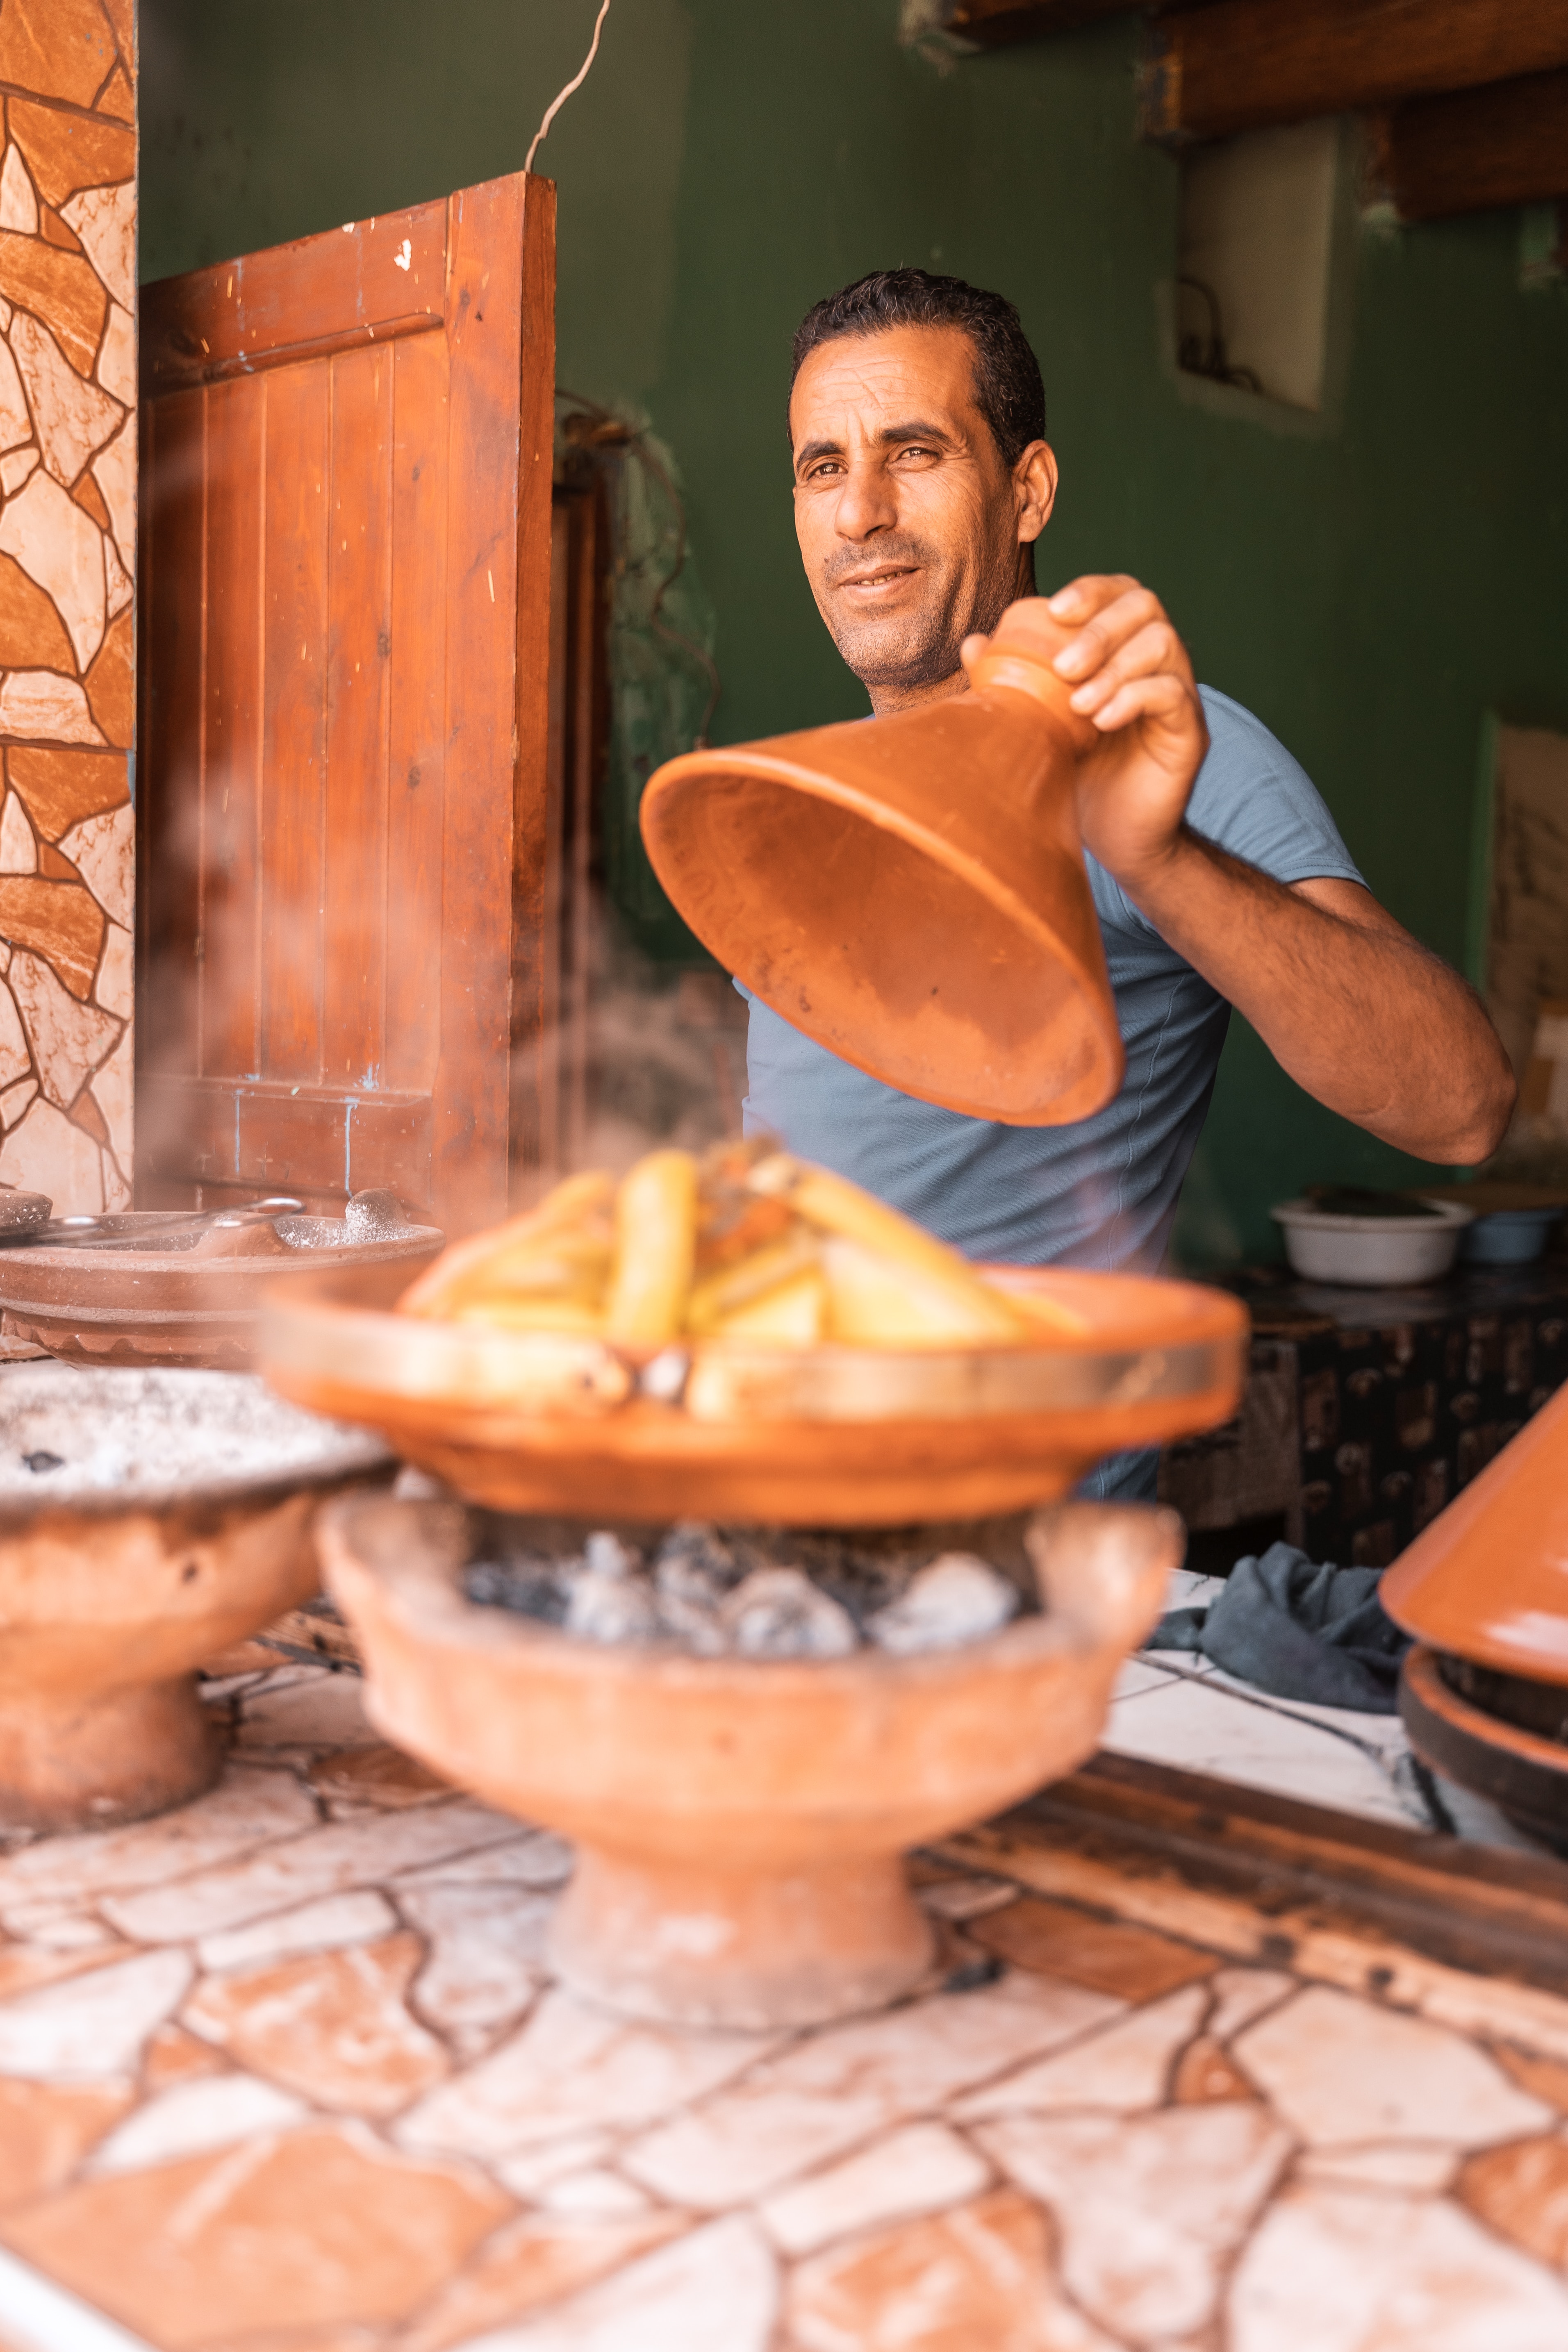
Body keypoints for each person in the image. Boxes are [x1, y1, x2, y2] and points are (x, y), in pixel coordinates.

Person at [739, 268, 1516, 1501]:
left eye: (914, 451)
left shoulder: (1153, 746)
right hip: (760, 1512)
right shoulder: (802, 801)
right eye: (820, 466)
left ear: (1027, 489)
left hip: (1017, 1564)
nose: (859, 513)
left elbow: (1460, 1105)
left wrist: (1151, 854)